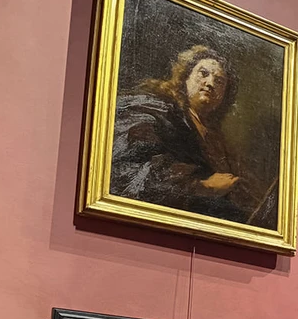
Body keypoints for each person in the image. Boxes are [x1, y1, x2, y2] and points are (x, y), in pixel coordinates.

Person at [111, 45, 267, 224]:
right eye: (203, 73)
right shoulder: (157, 111)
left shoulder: (215, 138)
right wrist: (202, 187)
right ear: (185, 77)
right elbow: (131, 171)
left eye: (219, 81)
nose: (210, 83)